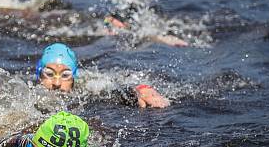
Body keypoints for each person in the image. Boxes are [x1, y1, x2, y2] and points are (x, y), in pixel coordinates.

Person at [36, 42, 170, 108]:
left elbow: (114, 88)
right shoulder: (26, 92)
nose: (57, 83)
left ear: (74, 77)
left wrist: (140, 89)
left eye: (65, 75)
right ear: (39, 74)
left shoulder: (87, 89)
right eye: (49, 74)